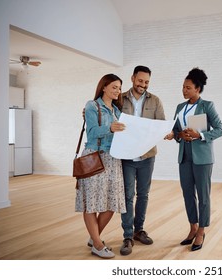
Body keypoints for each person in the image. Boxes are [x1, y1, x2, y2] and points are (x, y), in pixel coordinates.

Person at [166, 67, 222, 251]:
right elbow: (176, 131)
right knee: (187, 193)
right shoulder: (179, 107)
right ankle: (192, 227)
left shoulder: (207, 105)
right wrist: (177, 135)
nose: (184, 90)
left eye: (188, 88)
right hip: (184, 155)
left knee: (203, 196)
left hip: (202, 157)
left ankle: (201, 231)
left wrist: (200, 135)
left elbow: (220, 129)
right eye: (183, 87)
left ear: (197, 89)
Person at [75, 74, 126, 259]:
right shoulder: (92, 105)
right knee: (91, 204)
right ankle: (97, 244)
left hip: (114, 159)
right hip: (95, 157)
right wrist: (110, 128)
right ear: (104, 87)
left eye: (119, 88)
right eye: (114, 87)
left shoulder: (117, 110)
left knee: (113, 203)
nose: (117, 91)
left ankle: (93, 237)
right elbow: (91, 132)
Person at [119, 65, 166, 256]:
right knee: (128, 196)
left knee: (143, 194)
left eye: (146, 82)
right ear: (132, 78)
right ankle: (128, 235)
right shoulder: (119, 98)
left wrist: (167, 132)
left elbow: (161, 124)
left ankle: (139, 230)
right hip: (126, 155)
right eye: (140, 81)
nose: (143, 85)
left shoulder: (155, 100)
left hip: (147, 156)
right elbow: (106, 114)